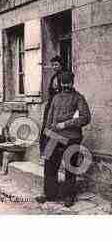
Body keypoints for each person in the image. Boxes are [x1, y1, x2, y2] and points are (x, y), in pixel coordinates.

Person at [36, 71, 91, 208]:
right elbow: (50, 117)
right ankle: (49, 194)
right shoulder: (56, 98)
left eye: (68, 82)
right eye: (63, 82)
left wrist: (65, 124)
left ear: (72, 82)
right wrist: (46, 134)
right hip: (53, 137)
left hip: (72, 138)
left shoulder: (79, 98)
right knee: (49, 166)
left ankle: (69, 196)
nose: (66, 85)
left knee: (70, 168)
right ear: (59, 83)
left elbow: (85, 118)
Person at [40, 56, 66, 154]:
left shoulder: (64, 76)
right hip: (51, 103)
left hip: (59, 105)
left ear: (61, 65)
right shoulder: (54, 77)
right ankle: (46, 151)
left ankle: (54, 151)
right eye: (53, 65)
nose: (54, 67)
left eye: (56, 65)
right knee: (47, 125)